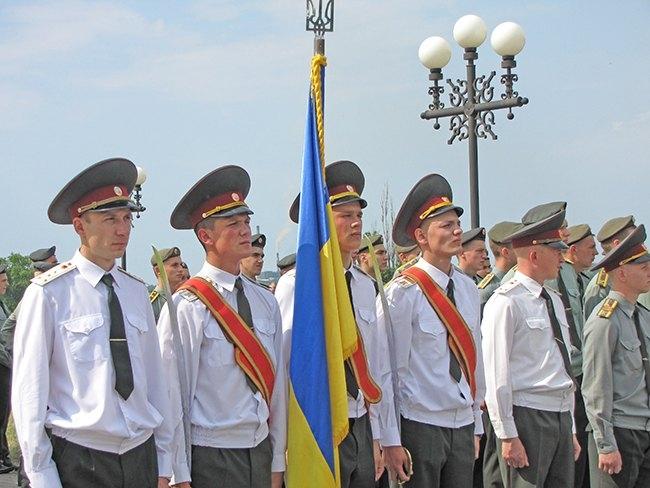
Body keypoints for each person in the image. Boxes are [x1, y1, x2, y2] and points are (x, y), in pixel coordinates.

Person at [11, 158, 174, 488]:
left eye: (127, 218)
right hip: (81, 458)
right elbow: (30, 392)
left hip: (140, 455)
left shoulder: (135, 291)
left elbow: (155, 381)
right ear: (79, 226)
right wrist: (41, 474)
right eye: (110, 219)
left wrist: (164, 458)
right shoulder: (49, 293)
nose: (122, 229)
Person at [157, 165, 286, 488]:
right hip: (212, 457)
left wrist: (277, 458)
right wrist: (178, 472)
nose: (245, 231)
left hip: (259, 449)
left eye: (246, 222)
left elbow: (277, 387)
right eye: (233, 224)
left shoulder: (265, 301)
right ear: (206, 236)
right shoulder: (187, 306)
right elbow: (172, 393)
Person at [276, 160, 388, 487]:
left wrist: (377, 435)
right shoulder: (298, 285)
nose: (356, 223)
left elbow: (375, 364)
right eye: (345, 216)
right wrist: (285, 443)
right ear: (322, 222)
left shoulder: (365, 287)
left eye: (359, 215)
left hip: (360, 421)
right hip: (318, 424)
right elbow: (286, 365)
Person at [379, 174, 485, 488]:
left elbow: (474, 361)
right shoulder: (403, 293)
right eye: (446, 225)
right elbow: (388, 371)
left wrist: (476, 423)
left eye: (457, 224)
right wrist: (390, 438)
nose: (457, 231)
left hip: (461, 423)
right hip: (420, 425)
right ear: (421, 237)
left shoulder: (468, 289)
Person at [482, 202, 581, 488]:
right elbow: (496, 374)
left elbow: (560, 366)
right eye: (556, 250)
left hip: (559, 413)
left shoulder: (554, 300)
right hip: (527, 415)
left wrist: (571, 426)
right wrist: (507, 434)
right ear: (535, 254)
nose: (562, 256)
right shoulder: (506, 301)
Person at [581, 224, 650, 488]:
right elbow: (595, 386)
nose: (649, 271)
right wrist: (606, 443)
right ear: (621, 273)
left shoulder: (642, 316)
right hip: (620, 431)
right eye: (642, 267)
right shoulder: (605, 320)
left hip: (643, 429)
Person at [548, 223, 597, 488]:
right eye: (561, 229)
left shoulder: (575, 276)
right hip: (559, 377)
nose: (565, 234)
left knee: (579, 454)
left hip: (580, 372)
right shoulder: (552, 275)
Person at [583, 216, 639, 320]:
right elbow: (596, 325)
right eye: (635, 243)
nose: (642, 247)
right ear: (618, 245)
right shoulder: (600, 287)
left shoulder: (638, 275)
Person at [147, 246, 184, 322]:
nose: (181, 269)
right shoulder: (149, 302)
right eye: (174, 265)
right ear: (158, 270)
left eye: (181, 265)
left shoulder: (183, 298)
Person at [0, 264, 13, 474]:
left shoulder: (2, 304)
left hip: (6, 364)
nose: (7, 284)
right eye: (3, 281)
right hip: (2, 363)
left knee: (4, 412)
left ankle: (3, 455)